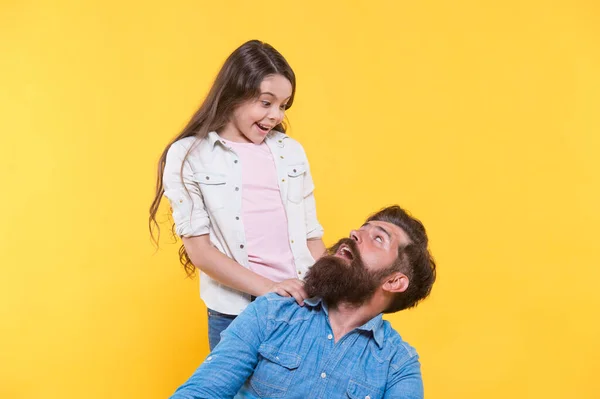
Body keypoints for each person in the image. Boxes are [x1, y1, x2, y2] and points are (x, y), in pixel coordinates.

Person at [149, 40, 326, 350]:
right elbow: (200, 252)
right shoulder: (189, 155)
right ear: (233, 95)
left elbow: (311, 236)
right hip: (235, 315)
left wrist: (332, 293)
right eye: (266, 102)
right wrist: (271, 288)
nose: (276, 116)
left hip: (303, 307)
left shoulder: (291, 152)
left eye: (283, 105)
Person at [169, 205, 437, 399]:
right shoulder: (272, 313)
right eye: (362, 229)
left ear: (393, 282)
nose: (355, 233)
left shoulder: (397, 365)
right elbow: (201, 392)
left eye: (378, 238)